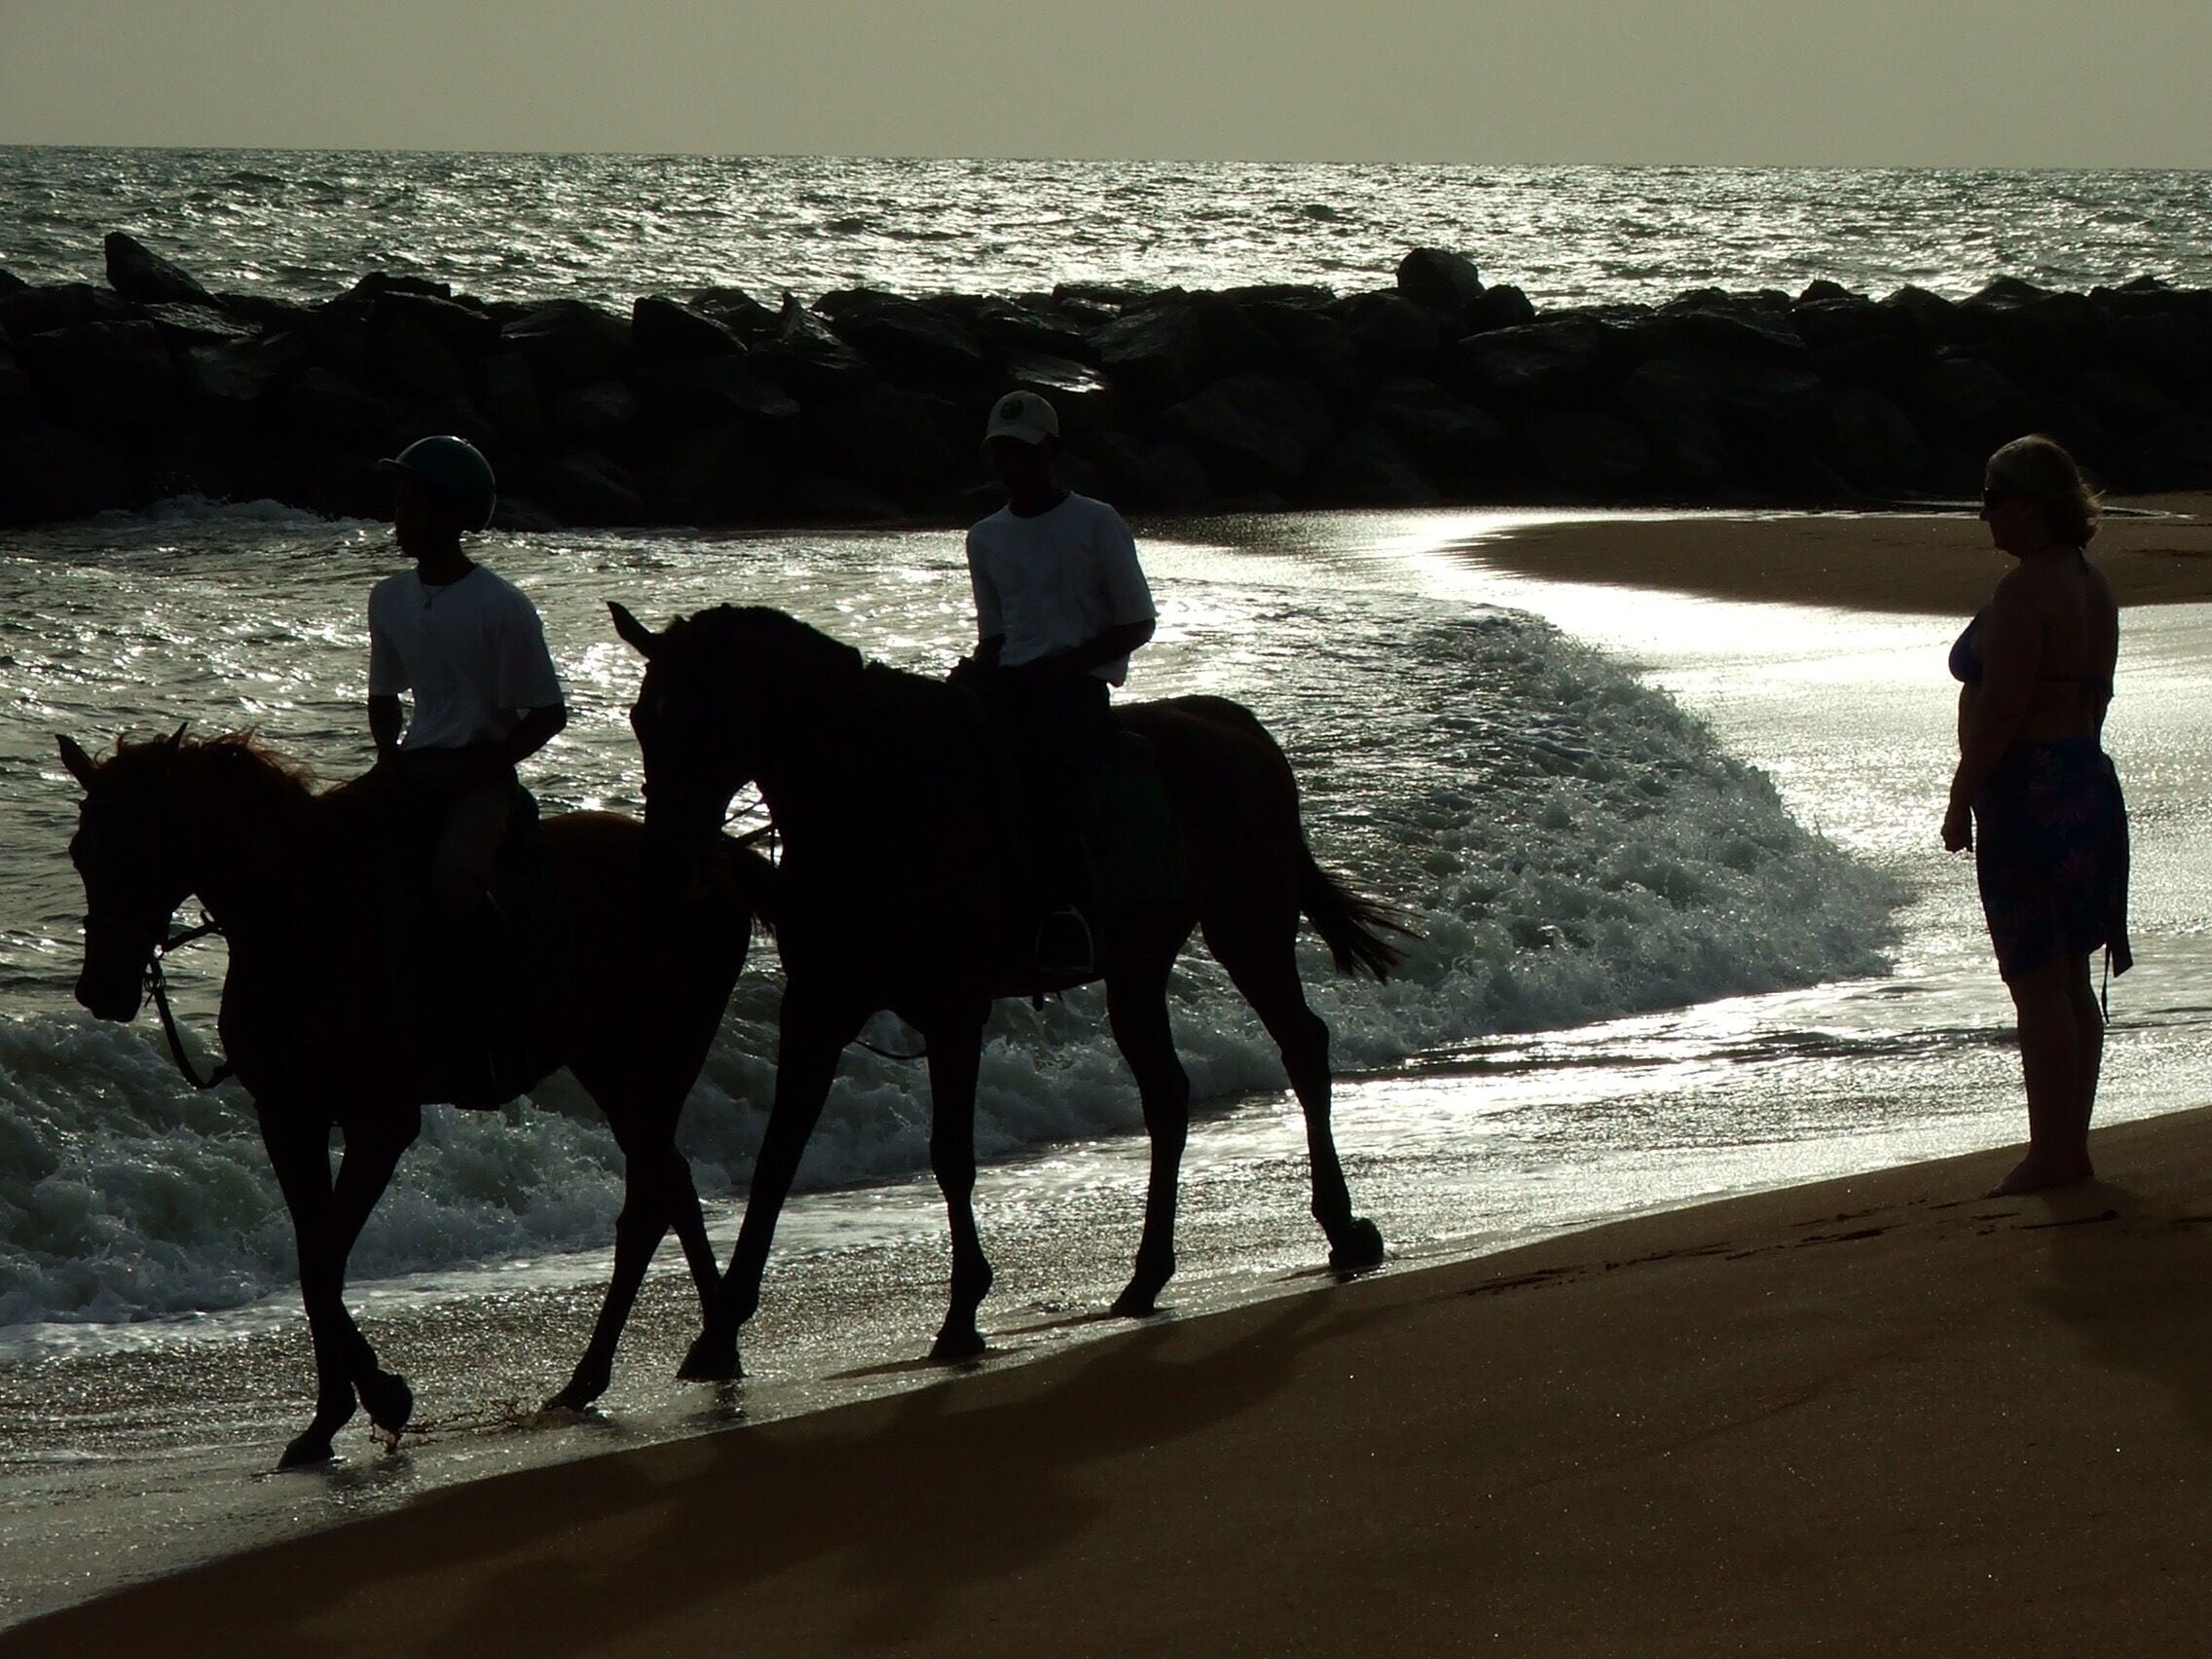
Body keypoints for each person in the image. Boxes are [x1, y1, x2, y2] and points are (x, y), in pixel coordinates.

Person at [1942, 433, 2129, 1197]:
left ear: (2026, 504)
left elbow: (2002, 709)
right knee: (2069, 978)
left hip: (2031, 793)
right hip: (2086, 781)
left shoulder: (2025, 595)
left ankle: (2053, 1150)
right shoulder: (2094, 585)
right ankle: (2069, 1144)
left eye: (1990, 501)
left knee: (2037, 981)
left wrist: (1961, 798)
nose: (1983, 518)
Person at [961, 390, 1157, 977]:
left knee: (1048, 774)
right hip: (1012, 682)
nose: (1011, 466)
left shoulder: (1095, 521)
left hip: (1073, 691)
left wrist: (1064, 667)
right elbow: (995, 632)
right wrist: (972, 674)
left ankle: (1067, 912)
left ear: (1052, 452)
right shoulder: (984, 536)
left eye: (1022, 453)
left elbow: (1137, 621)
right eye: (1001, 454)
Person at [366, 434, 567, 964]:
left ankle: (503, 992)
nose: (400, 520)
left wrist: (478, 768)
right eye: (400, 505)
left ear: (456, 515)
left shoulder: (503, 607)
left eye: (414, 506)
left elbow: (549, 715)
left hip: (481, 781)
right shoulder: (388, 598)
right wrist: (388, 754)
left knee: (454, 881)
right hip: (411, 767)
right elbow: (383, 694)